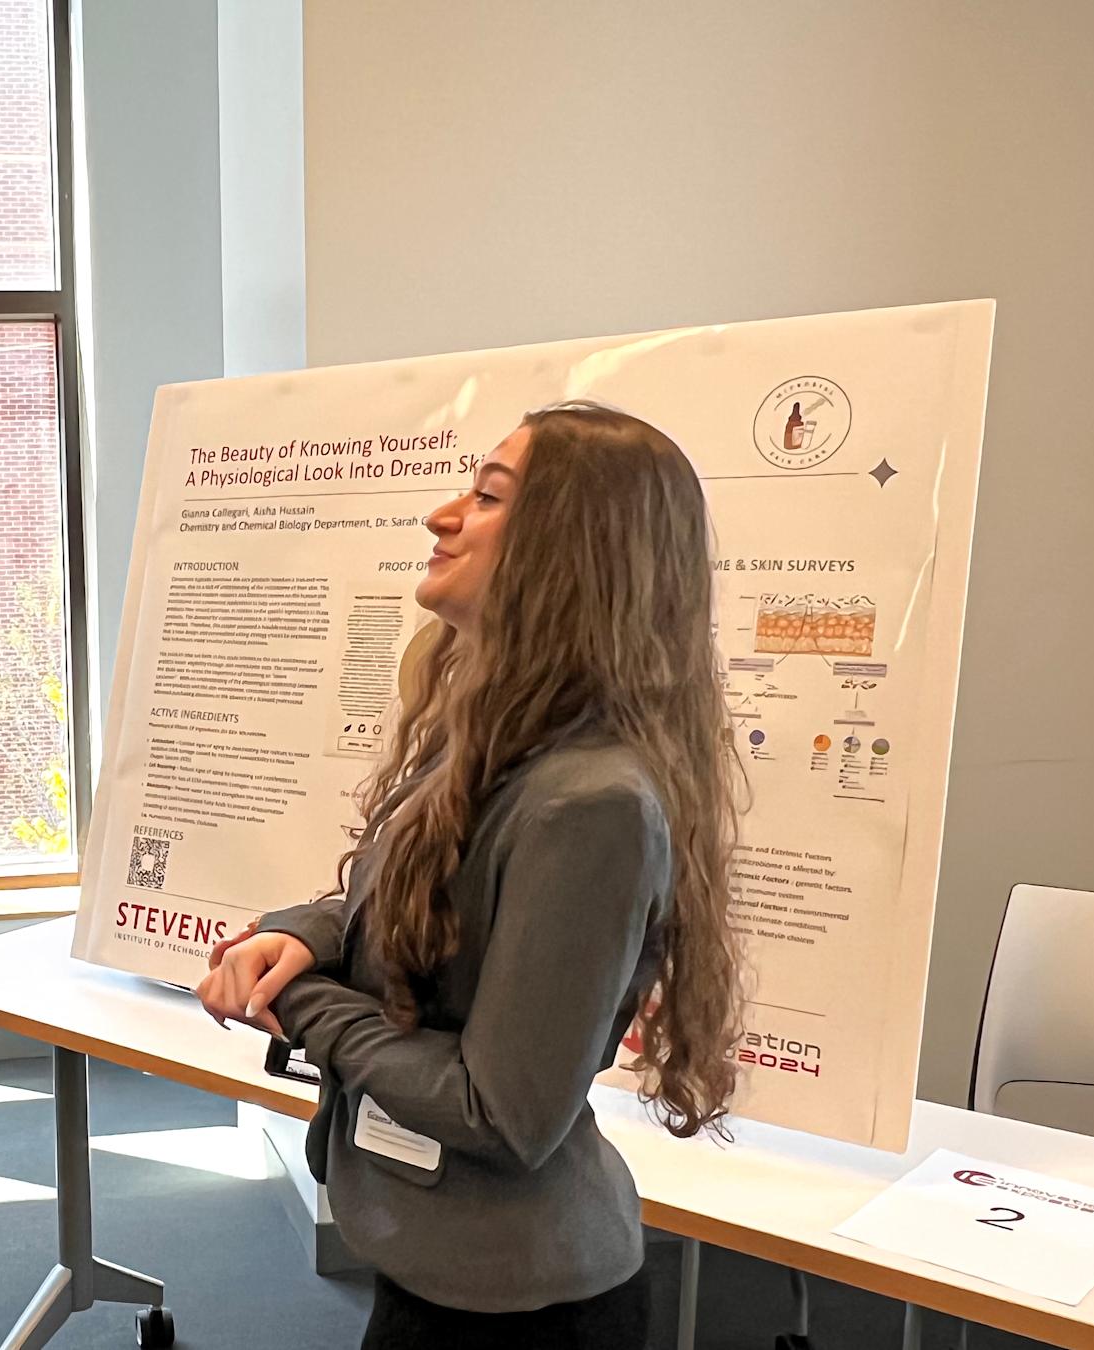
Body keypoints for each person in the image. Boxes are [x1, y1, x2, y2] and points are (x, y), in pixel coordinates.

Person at [196, 403, 746, 1350]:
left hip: (520, 1310)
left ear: (571, 551)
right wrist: (302, 937)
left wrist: (300, 1000)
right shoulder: (494, 739)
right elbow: (403, 902)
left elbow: (501, 1113)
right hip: (434, 1263)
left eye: (488, 497)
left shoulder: (591, 802)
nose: (441, 516)